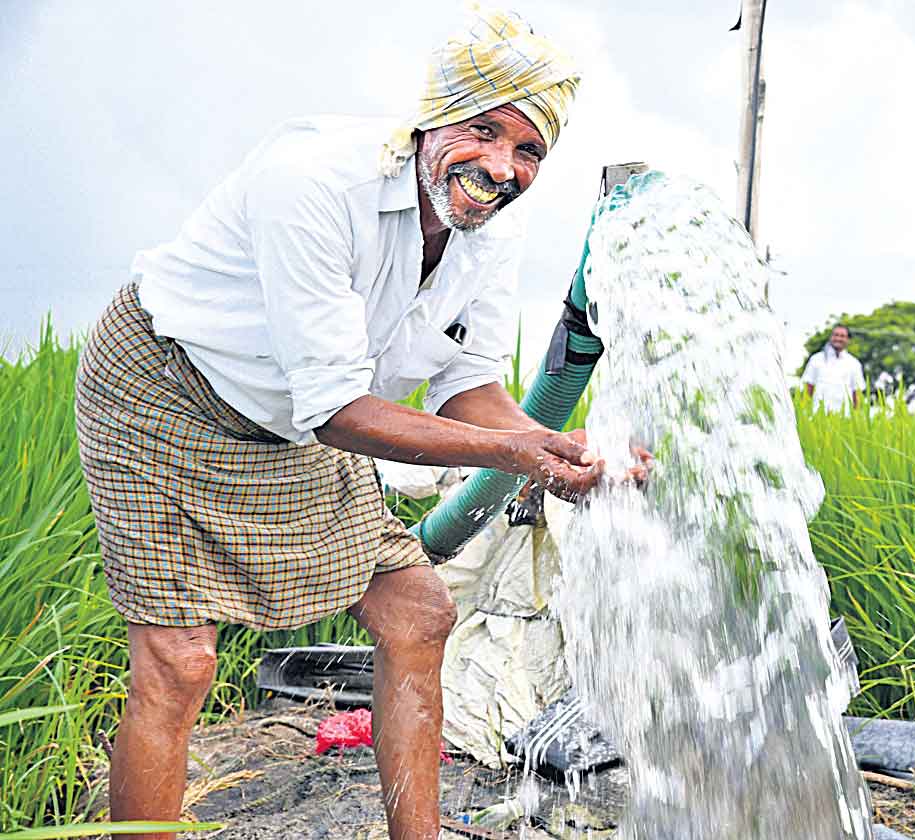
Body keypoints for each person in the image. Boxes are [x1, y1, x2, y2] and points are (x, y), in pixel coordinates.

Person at [73, 8, 636, 840]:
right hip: (166, 393)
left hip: (297, 418)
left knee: (419, 610)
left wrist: (554, 446)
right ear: (433, 118)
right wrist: (520, 449)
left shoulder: (488, 229)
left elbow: (465, 383)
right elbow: (338, 411)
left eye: (528, 152)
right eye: (483, 131)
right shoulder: (314, 184)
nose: (499, 168)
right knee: (179, 664)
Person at [801, 324, 866, 412]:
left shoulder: (854, 364)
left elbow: (857, 393)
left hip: (844, 417)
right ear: (831, 337)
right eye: (836, 335)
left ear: (848, 340)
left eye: (842, 336)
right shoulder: (816, 359)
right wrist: (803, 411)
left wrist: (858, 415)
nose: (838, 338)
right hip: (818, 415)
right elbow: (808, 388)